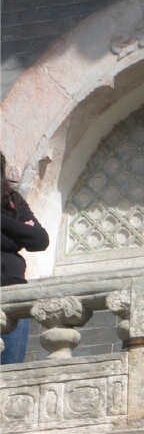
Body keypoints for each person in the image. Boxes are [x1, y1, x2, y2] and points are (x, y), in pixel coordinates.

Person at [1, 152, 49, 364]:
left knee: (9, 377)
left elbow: (40, 240)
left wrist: (8, 227)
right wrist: (20, 231)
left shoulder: (12, 199)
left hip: (14, 295)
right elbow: (27, 237)